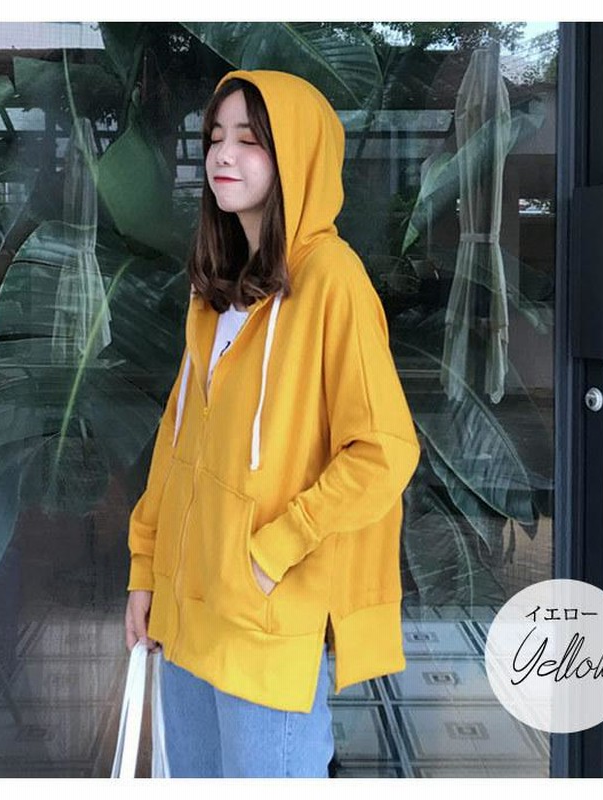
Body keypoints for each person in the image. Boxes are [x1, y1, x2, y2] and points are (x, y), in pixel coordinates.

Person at [124, 69, 420, 778]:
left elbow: (384, 450)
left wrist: (269, 554)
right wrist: (146, 570)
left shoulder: (332, 280)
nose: (223, 154)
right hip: (186, 621)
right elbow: (175, 448)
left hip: (263, 625)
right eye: (214, 137)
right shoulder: (216, 291)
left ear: (298, 155)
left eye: (249, 140)